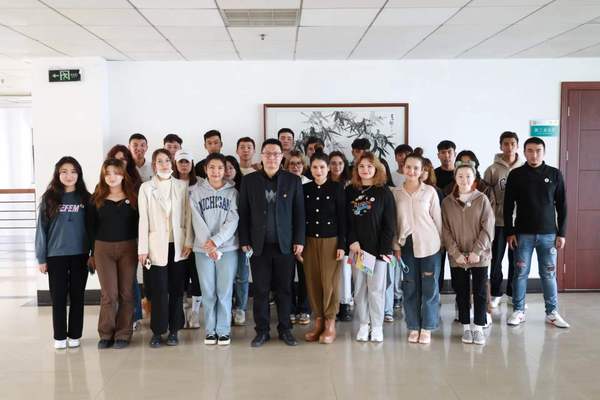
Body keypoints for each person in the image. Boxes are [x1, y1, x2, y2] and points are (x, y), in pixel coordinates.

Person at [238, 138, 305, 348]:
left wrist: (299, 240)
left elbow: (299, 213)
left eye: (276, 153)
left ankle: (285, 329)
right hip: (258, 246)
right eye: (268, 153)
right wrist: (244, 240)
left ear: (281, 156)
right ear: (262, 156)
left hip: (285, 245)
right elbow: (243, 213)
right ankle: (262, 331)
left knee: (285, 289)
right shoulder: (249, 181)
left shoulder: (293, 181)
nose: (272, 157)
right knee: (260, 290)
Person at [504, 137, 569, 328]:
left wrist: (562, 233)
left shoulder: (554, 174)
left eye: (538, 150)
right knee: (520, 273)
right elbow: (508, 206)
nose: (534, 154)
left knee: (548, 274)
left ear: (544, 152)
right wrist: (510, 232)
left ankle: (552, 313)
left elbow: (562, 205)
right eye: (530, 151)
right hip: (522, 235)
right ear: (524, 152)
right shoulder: (516, 174)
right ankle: (518, 311)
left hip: (549, 235)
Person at [138, 149, 193, 348]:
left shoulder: (182, 186)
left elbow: (188, 216)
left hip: (178, 245)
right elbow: (143, 219)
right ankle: (158, 331)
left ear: (172, 163)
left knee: (177, 289)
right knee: (159, 290)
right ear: (154, 165)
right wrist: (142, 249)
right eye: (159, 161)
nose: (164, 164)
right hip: (155, 246)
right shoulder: (146, 188)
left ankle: (174, 330)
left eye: (167, 160)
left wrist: (188, 241)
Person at [35, 157, 91, 349]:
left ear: (79, 174)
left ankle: (75, 335)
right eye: (64, 171)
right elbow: (41, 229)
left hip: (80, 254)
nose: (69, 175)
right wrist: (41, 258)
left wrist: (93, 253)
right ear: (58, 174)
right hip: (55, 255)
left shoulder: (86, 198)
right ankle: (59, 336)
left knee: (77, 296)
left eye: (73, 171)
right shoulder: (49, 198)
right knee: (58, 297)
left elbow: (92, 228)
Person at [442, 161, 495, 345]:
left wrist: (477, 251)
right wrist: (455, 253)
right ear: (455, 178)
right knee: (461, 292)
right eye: (460, 176)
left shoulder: (482, 199)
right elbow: (445, 230)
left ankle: (478, 328)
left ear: (474, 179)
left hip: (479, 256)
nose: (464, 180)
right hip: (457, 257)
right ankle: (466, 327)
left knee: (480, 292)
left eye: (468, 176)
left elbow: (488, 227)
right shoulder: (447, 202)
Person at [87, 159, 139, 349]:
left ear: (123, 175)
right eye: (107, 173)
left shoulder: (134, 197)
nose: (112, 177)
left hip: (128, 248)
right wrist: (91, 253)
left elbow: (140, 225)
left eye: (116, 172)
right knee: (109, 294)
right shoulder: (96, 198)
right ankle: (106, 333)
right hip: (103, 249)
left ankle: (123, 334)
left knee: (126, 293)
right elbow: (90, 228)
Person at [190, 153, 240, 346]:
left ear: (225, 170)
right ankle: (210, 330)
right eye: (212, 167)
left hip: (227, 249)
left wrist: (216, 241)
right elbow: (196, 220)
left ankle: (223, 330)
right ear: (205, 169)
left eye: (220, 167)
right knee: (208, 291)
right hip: (203, 249)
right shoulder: (196, 192)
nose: (216, 171)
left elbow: (233, 220)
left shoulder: (233, 192)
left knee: (224, 291)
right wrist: (209, 244)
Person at [393, 152, 442, 344]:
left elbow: (438, 220)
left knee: (430, 288)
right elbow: (394, 223)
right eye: (408, 167)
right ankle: (413, 326)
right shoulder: (396, 193)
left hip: (430, 245)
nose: (411, 171)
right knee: (410, 287)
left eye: (416, 168)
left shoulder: (429, 191)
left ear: (422, 171)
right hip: (406, 245)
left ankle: (427, 327)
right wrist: (395, 245)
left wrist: (441, 244)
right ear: (403, 168)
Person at [346, 152, 396, 342]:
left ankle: (376, 326)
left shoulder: (384, 192)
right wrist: (352, 241)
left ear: (376, 168)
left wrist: (384, 251)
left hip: (378, 251)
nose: (365, 169)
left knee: (376, 290)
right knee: (359, 289)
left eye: (369, 166)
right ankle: (363, 324)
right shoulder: (350, 191)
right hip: (358, 250)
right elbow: (346, 220)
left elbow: (389, 225)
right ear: (356, 169)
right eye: (361, 166)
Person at [302, 150, 346, 344]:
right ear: (310, 169)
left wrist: (342, 244)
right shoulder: (305, 189)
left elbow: (343, 219)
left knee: (329, 283)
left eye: (322, 167)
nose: (318, 170)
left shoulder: (337, 188)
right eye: (314, 167)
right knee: (312, 281)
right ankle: (318, 321)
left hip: (331, 241)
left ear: (328, 168)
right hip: (309, 240)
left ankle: (330, 322)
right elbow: (300, 218)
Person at [105, 145, 143, 330]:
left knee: (130, 280)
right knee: (113, 284)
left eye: (123, 159)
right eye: (116, 158)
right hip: (109, 241)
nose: (120, 162)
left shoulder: (136, 183)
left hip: (131, 238)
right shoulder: (105, 184)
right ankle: (117, 317)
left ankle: (135, 315)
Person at [484, 131, 523, 307]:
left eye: (513, 143)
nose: (509, 147)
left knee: (517, 260)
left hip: (519, 222)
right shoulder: (492, 169)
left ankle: (513, 293)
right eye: (506, 143)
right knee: (496, 259)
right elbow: (484, 196)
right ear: (500, 146)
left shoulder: (524, 168)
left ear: (517, 146)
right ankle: (496, 292)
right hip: (498, 221)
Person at [172, 149, 202, 329]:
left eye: (187, 162)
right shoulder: (170, 184)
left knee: (197, 276)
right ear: (175, 164)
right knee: (180, 277)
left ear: (192, 164)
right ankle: (182, 312)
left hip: (198, 238)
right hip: (177, 239)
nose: (184, 165)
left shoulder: (201, 184)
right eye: (180, 162)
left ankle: (195, 312)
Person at [286, 150, 311, 325]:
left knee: (305, 275)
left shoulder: (309, 184)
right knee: (286, 276)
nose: (295, 166)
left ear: (304, 166)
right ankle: (289, 309)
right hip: (286, 236)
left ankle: (304, 309)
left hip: (305, 236)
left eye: (299, 163)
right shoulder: (282, 183)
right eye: (292, 164)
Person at [328, 151, 353, 322]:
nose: (336, 166)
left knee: (345, 270)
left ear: (345, 165)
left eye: (340, 163)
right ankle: (332, 305)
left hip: (348, 232)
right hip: (329, 231)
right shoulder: (324, 182)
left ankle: (345, 304)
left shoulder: (350, 185)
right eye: (333, 163)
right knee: (331, 272)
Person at [225, 155, 248, 326]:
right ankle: (227, 307)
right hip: (224, 241)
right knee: (226, 277)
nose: (227, 171)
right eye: (224, 167)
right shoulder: (215, 188)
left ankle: (240, 308)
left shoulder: (244, 187)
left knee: (241, 275)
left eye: (231, 168)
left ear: (236, 169)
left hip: (241, 237)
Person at [434, 140, 456, 294]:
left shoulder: (461, 174)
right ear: (438, 155)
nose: (446, 155)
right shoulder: (433, 175)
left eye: (449, 152)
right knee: (438, 263)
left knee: (457, 263)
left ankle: (460, 298)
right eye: (443, 152)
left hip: (457, 225)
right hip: (438, 225)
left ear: (454, 154)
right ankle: (437, 296)